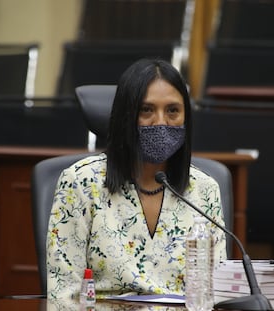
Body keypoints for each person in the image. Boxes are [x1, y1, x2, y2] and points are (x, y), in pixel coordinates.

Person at [46, 58, 227, 306]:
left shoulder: (205, 189)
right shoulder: (81, 182)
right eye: (147, 110)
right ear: (125, 116)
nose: (161, 121)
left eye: (173, 110)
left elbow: (214, 294)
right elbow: (63, 295)